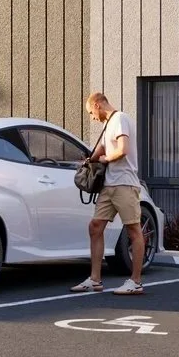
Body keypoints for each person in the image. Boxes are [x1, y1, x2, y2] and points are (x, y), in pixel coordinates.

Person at [72, 90, 146, 295]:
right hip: (109, 184)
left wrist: (104, 160)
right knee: (95, 226)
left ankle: (136, 282)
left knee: (133, 230)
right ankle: (95, 280)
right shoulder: (108, 125)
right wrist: (89, 160)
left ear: (97, 105)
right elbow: (101, 150)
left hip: (125, 183)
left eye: (90, 113)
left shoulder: (120, 119)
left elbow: (123, 149)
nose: (92, 117)